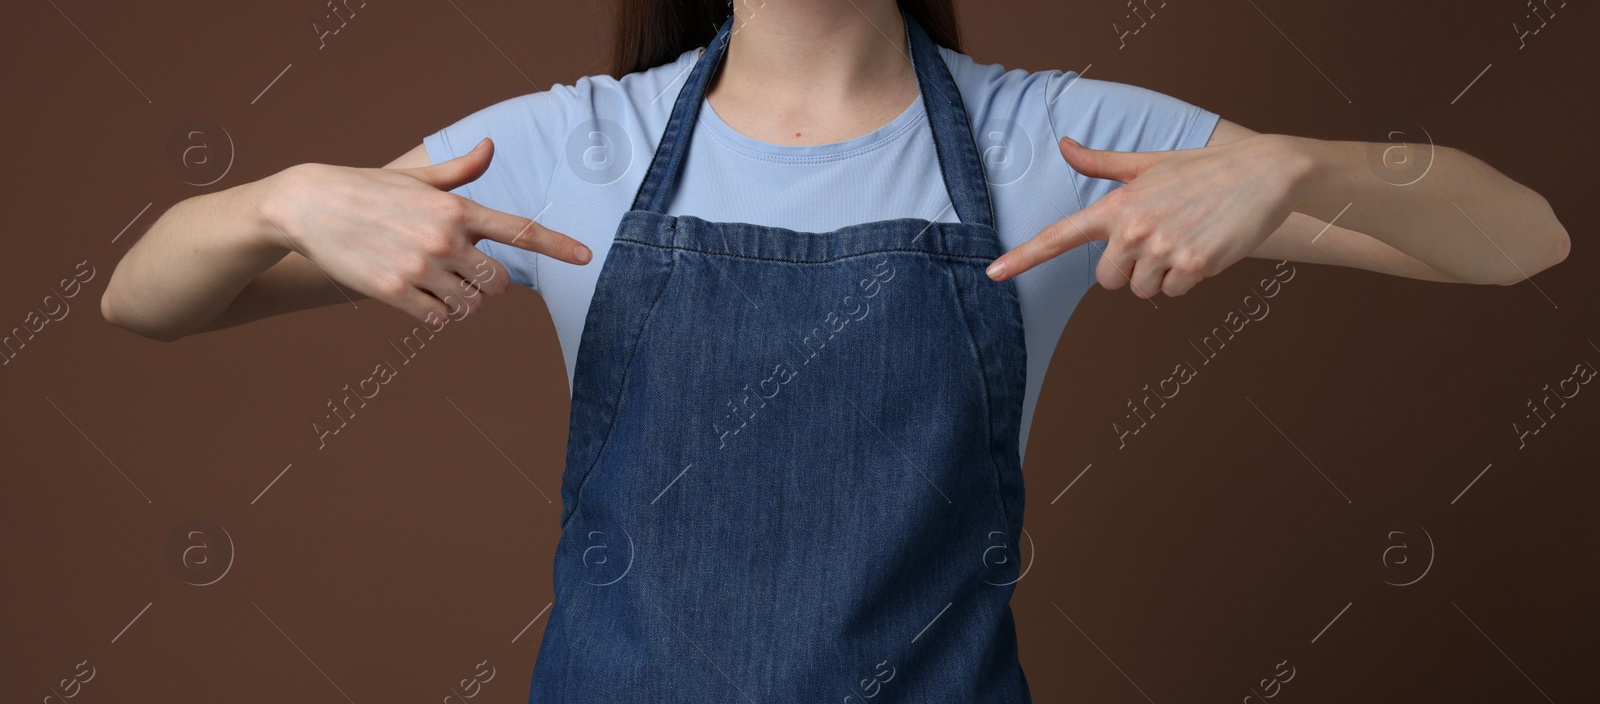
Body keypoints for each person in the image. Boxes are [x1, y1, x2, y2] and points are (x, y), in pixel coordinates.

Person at [101, 1, 1568, 701]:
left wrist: (1298, 163)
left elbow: (1525, 242)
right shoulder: (575, 145)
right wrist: (277, 193)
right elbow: (145, 302)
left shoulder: (1051, 139)